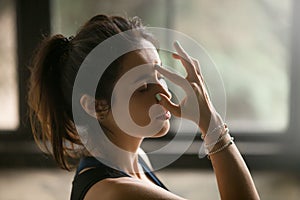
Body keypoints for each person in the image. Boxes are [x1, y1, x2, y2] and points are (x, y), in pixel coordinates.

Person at [28, 14, 260, 200]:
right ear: (95, 106)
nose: (164, 93)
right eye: (142, 87)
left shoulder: (135, 157)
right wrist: (211, 123)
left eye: (159, 76)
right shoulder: (115, 192)